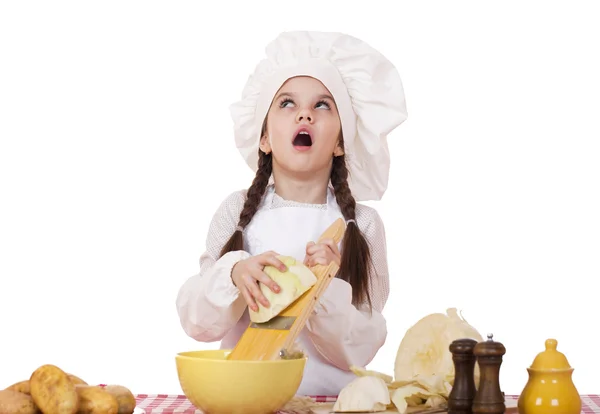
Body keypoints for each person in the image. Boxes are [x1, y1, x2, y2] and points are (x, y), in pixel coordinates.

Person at [176, 31, 407, 396]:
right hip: (249, 398)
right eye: (286, 103)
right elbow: (197, 323)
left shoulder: (362, 227)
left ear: (341, 143)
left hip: (331, 402)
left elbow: (364, 344)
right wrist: (234, 273)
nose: (304, 113)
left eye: (322, 105)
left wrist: (324, 291)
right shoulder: (237, 214)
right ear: (264, 138)